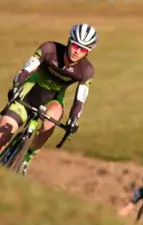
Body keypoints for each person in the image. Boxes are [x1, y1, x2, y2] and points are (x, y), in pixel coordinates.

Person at [0, 24, 97, 175]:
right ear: (69, 41)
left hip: (52, 100)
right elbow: (25, 70)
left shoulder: (86, 70)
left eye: (83, 49)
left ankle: (27, 158)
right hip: (28, 93)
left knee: (50, 122)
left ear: (88, 52)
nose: (77, 51)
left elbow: (80, 99)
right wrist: (17, 86)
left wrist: (73, 120)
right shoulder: (49, 49)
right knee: (3, 135)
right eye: (76, 45)